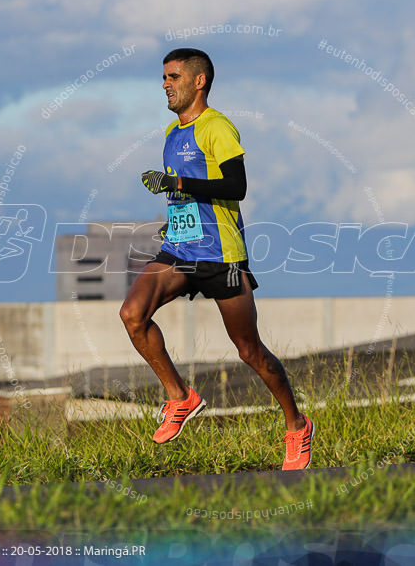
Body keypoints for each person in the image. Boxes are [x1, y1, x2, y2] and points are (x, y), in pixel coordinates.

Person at [119, 48, 314, 470]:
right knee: (133, 313)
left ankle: (297, 426)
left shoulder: (218, 127)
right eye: (164, 78)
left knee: (249, 350)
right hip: (180, 249)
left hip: (221, 254)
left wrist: (176, 180)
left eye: (173, 77)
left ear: (198, 81)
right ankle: (180, 396)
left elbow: (235, 186)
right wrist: (174, 220)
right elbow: (185, 195)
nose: (165, 84)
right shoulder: (172, 133)